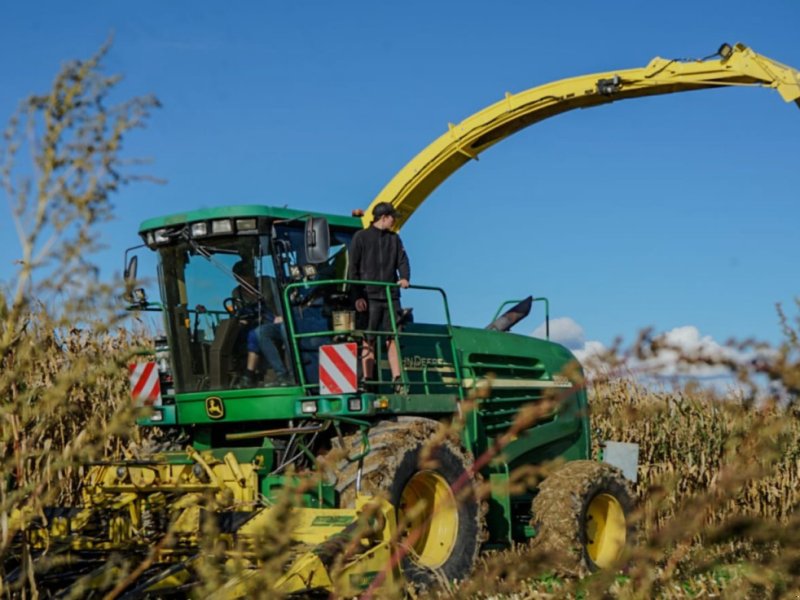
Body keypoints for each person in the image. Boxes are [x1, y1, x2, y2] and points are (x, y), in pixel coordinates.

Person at [348, 201, 410, 390]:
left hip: (391, 296)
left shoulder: (394, 239)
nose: (394, 221)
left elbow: (403, 261)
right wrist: (357, 296)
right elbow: (353, 269)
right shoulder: (361, 237)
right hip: (369, 296)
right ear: (383, 218)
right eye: (392, 218)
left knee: (392, 337)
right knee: (369, 338)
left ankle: (397, 379)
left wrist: (405, 277)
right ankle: (367, 379)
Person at [231, 259, 292, 387]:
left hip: (274, 320)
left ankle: (250, 374)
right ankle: (241, 372)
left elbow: (285, 297)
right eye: (243, 277)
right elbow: (240, 312)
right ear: (237, 278)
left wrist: (283, 315)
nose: (249, 279)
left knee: (255, 335)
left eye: (250, 274)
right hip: (252, 323)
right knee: (234, 337)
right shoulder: (236, 293)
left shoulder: (267, 283)